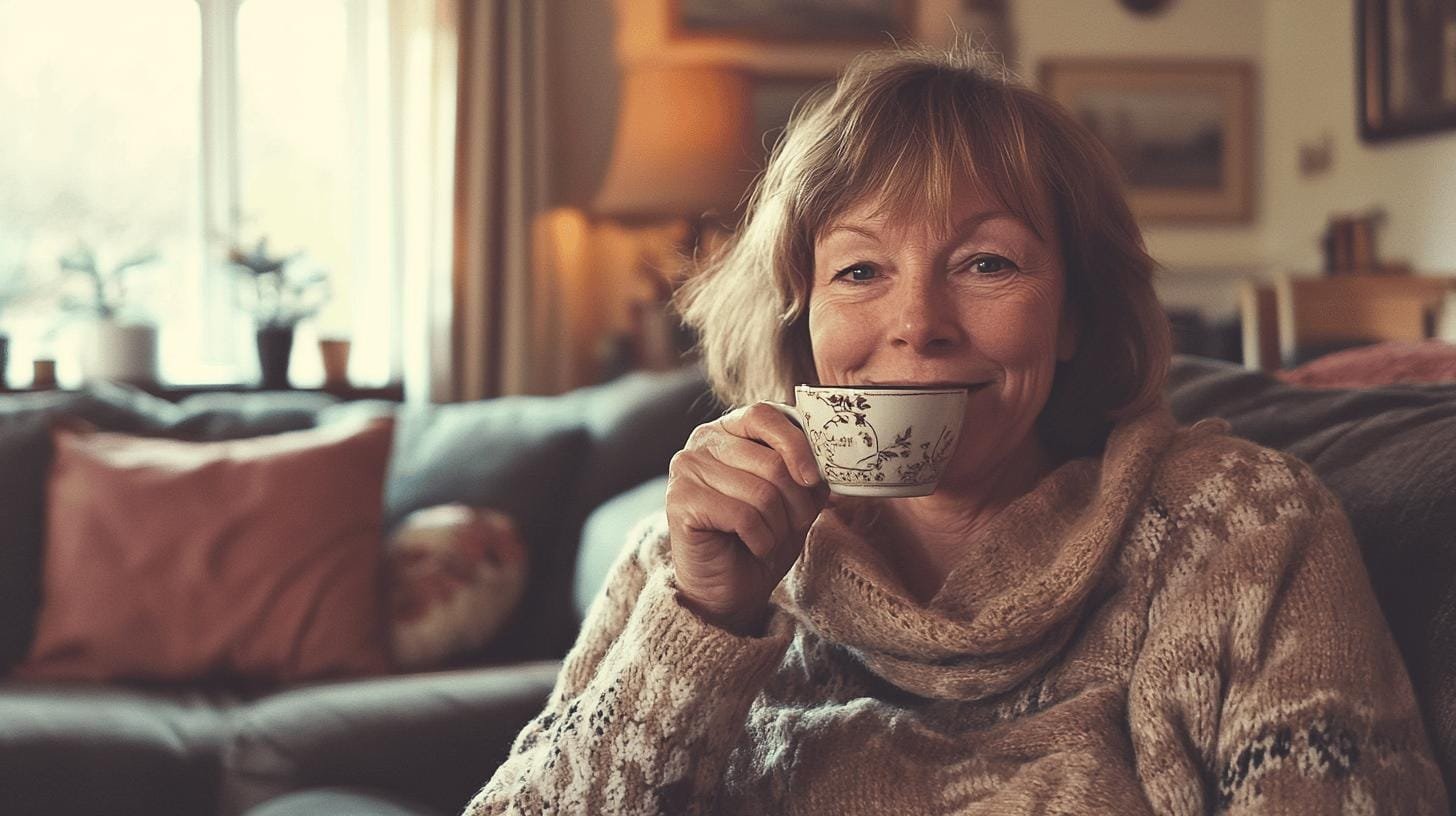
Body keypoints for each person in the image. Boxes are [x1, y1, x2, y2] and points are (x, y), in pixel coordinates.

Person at [466, 46, 1447, 814]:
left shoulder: (1239, 528)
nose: (918, 321)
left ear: (1071, 315)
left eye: (986, 264)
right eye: (858, 271)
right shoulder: (690, 563)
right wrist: (706, 622)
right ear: (797, 323)